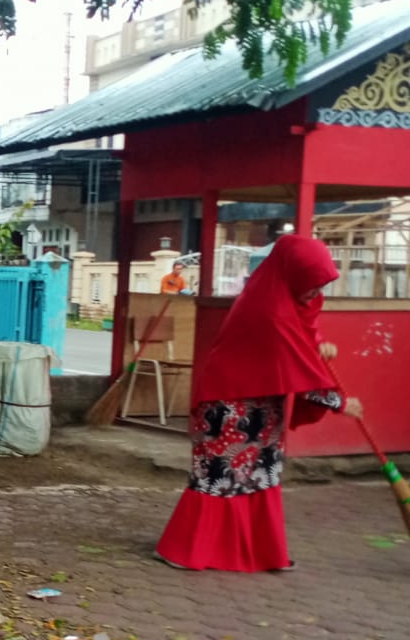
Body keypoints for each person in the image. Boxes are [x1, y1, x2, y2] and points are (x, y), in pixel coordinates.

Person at [155, 235, 361, 573]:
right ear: (293, 274)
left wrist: (319, 344)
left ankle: (262, 553)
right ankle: (183, 551)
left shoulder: (288, 299)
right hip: (229, 408)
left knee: (261, 476)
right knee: (217, 478)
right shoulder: (270, 310)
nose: (316, 291)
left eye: (321, 284)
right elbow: (296, 366)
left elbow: (303, 338)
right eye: (312, 283)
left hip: (264, 408)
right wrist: (339, 403)